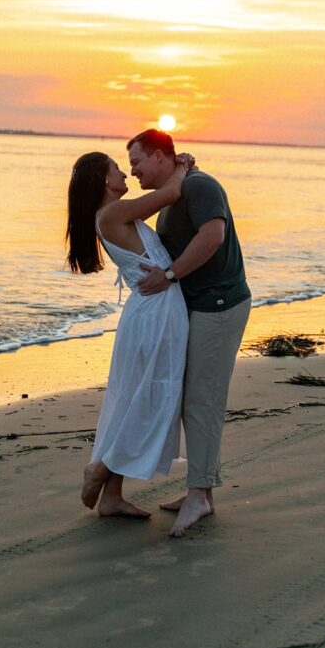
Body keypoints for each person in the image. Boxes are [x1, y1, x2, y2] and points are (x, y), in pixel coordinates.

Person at [127, 129, 251, 537]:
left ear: (161, 157)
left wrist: (168, 275)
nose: (133, 172)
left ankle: (199, 495)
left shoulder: (200, 186)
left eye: (137, 162)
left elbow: (213, 236)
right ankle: (202, 492)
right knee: (192, 399)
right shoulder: (176, 189)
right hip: (199, 307)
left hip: (220, 305)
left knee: (203, 401)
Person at [66, 149, 193, 518]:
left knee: (133, 400)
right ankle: (101, 470)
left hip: (151, 311)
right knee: (147, 400)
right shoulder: (112, 213)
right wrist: (183, 165)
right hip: (154, 315)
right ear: (105, 181)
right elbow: (168, 195)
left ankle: (112, 496)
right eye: (119, 169)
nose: (126, 174)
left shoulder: (111, 215)